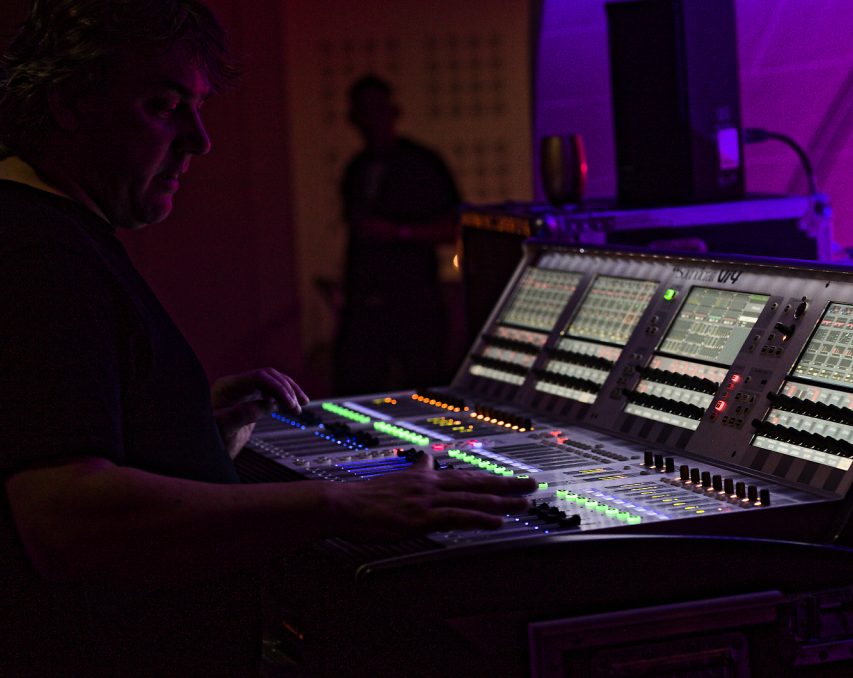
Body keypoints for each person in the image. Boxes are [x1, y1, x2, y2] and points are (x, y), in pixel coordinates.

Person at [0, 2, 534, 675]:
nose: (200, 140)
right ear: (68, 104)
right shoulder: (37, 252)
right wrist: (342, 503)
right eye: (164, 106)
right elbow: (63, 518)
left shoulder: (57, 232)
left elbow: (65, 429)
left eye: (197, 108)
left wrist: (186, 431)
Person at [333, 74, 461, 395]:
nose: (371, 120)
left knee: (425, 392)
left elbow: (454, 228)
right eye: (364, 111)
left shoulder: (423, 164)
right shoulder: (356, 168)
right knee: (356, 389)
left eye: (378, 109)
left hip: (415, 305)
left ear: (394, 111)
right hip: (366, 305)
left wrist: (399, 233)